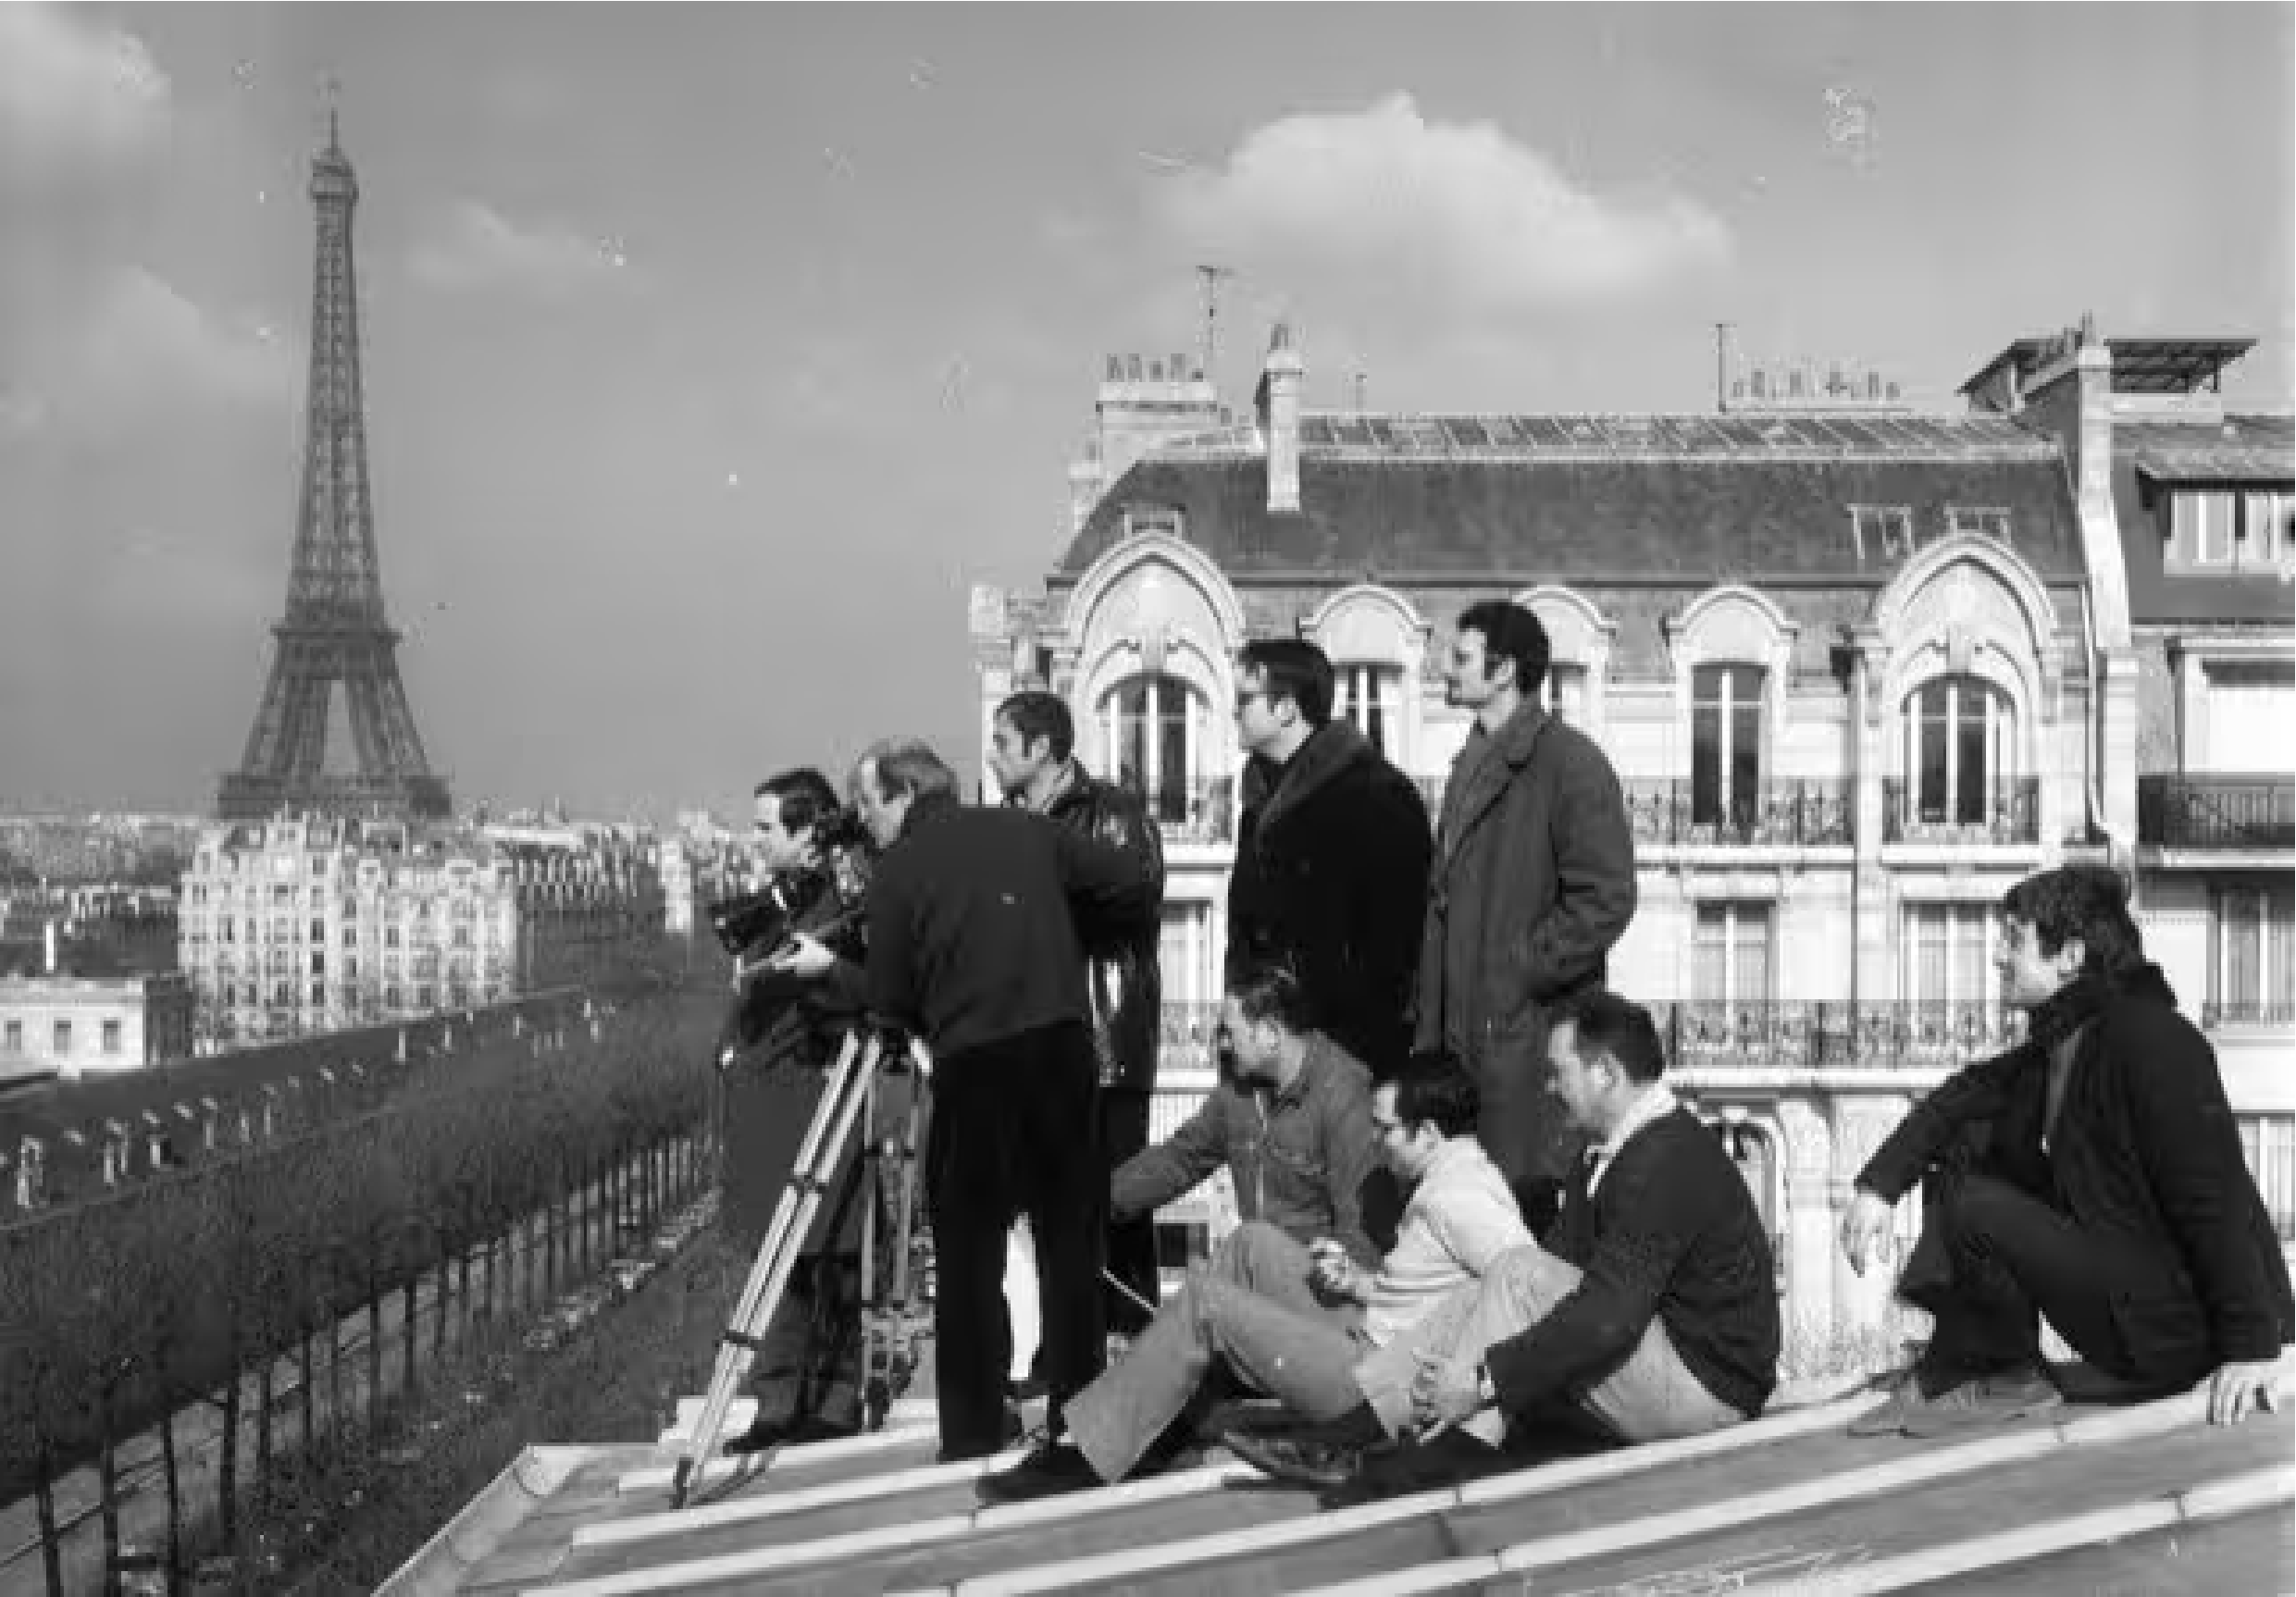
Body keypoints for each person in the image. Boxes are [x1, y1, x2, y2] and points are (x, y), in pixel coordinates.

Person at [1232, 991, 1778, 1492]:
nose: (1548, 1088)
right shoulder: (1610, 1153)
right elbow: (1559, 1277)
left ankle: (1445, 1452)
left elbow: (1608, 1317)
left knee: (1516, 1273)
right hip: (1664, 1365)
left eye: (1558, 1072)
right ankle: (1350, 1434)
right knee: (1500, 1277)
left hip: (1708, 1393)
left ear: (1605, 1073)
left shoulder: (1666, 1160)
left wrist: (1482, 1381)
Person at [1841, 865, 2293, 1438]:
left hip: (2175, 1333)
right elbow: (1959, 1098)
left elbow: (2215, 1197)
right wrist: (1877, 1187)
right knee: (1973, 1137)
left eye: (2015, 940)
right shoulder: (2067, 1044)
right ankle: (1968, 1361)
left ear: (2070, 955)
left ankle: (2005, 1377)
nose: (1999, 957)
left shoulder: (2154, 1040)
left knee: (1971, 1203)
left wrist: (2254, 1346)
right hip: (2137, 1305)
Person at [979, 1049, 1531, 1500]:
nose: (1379, 1147)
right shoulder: (1447, 1177)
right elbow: (1444, 1290)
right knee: (1252, 1244)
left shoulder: (1464, 1197)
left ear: (1429, 1132)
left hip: (1375, 1385)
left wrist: (1472, 1391)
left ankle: (1094, 1448)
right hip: (1379, 1336)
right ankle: (1161, 1420)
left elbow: (1527, 1286)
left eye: (1387, 1132)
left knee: (1206, 1304)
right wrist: (1363, 1283)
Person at [842, 737, 1160, 1461]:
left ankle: (975, 1429)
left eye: (868, 805)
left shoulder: (897, 872)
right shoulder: (1031, 828)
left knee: (966, 1256)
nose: (865, 822)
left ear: (904, 796)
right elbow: (1129, 883)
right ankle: (1083, 1422)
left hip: (973, 1062)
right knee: (1070, 1249)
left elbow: (887, 1000)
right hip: (1060, 1051)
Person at [1417, 600, 1637, 1232]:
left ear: (1503, 669)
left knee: (1520, 1233)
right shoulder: (1471, 764)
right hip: (1463, 1049)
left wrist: (1516, 974)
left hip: (1524, 1049)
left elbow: (1606, 897)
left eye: (1460, 658)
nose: (1446, 669)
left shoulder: (1570, 764)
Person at [987, 689, 1168, 1341]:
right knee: (1052, 1208)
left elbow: (1134, 897)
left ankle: (1134, 1343)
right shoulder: (1011, 822)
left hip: (1103, 1044)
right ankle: (1069, 1346)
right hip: (1039, 1042)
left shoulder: (1111, 812)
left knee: (1116, 1206)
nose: (993, 755)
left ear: (1042, 749)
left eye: (1003, 742)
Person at [714, 768, 875, 1453]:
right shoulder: (789, 906)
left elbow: (869, 998)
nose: (755, 840)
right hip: (775, 1115)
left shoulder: (839, 909)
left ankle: (819, 1403)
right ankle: (787, 1401)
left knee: (820, 1265)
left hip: (813, 1112)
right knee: (783, 1267)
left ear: (807, 834)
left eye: (765, 827)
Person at [1227, 638, 1432, 1077]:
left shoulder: (1376, 795)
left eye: (1245, 699)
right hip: (1265, 1044)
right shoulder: (1261, 800)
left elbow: (1395, 947)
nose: (1234, 711)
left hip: (1340, 1054)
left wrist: (1344, 1044)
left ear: (1287, 708)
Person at [1111, 963, 1393, 1276]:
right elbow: (1180, 1159)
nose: (1222, 1044)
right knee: (1198, 1294)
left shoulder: (1342, 1094)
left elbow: (1362, 1230)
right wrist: (1097, 1203)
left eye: (1229, 1033)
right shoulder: (1237, 1094)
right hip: (1259, 1277)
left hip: (1320, 1290)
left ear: (1271, 1033)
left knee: (1204, 1299)